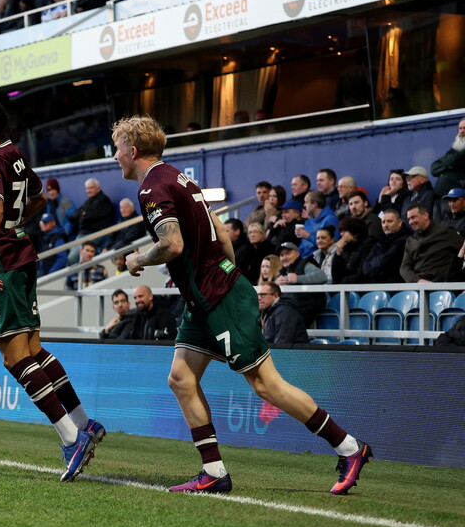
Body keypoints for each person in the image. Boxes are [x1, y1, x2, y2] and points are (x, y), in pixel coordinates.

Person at [112, 115, 370, 495]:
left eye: (117, 148)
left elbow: (172, 244)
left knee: (267, 385)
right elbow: (218, 227)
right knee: (181, 380)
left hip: (220, 298)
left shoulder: (153, 188)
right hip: (206, 298)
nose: (115, 156)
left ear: (133, 151)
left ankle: (351, 449)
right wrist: (226, 269)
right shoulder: (177, 176)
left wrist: (136, 260)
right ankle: (214, 473)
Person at [0, 96, 102, 483]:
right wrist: (15, 226)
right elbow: (36, 196)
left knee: (14, 357)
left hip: (2, 263)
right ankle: (84, 423)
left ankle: (72, 439)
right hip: (21, 255)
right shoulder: (14, 155)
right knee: (34, 349)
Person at [400, 204, 463, 282]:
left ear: (426, 215)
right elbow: (404, 268)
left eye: (413, 217)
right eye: (408, 219)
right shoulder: (410, 241)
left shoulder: (445, 232)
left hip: (442, 285)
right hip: (418, 285)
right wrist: (417, 281)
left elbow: (463, 249)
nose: (410, 222)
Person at [276, 241, 327, 323]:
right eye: (282, 255)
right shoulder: (282, 272)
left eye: (288, 253)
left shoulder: (305, 264)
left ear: (297, 254)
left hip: (308, 306)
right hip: (292, 307)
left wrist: (298, 279)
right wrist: (276, 284)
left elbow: (322, 276)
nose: (284, 257)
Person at [67, 177, 116, 262]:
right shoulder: (88, 201)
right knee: (70, 257)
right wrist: (83, 215)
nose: (89, 190)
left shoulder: (103, 200)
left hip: (95, 234)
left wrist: (83, 216)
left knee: (73, 258)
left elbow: (88, 217)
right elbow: (72, 217)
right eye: (87, 188)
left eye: (91, 188)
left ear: (98, 188)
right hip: (83, 234)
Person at [361, 208, 412, 283]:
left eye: (389, 221)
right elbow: (365, 267)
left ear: (399, 222)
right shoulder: (380, 241)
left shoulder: (405, 240)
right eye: (383, 222)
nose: (386, 225)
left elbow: (387, 261)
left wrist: (374, 263)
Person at [331, 217, 375, 284]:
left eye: (344, 231)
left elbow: (362, 275)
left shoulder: (368, 247)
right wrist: (338, 254)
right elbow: (336, 277)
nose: (341, 234)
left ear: (356, 233)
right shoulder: (345, 249)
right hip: (344, 288)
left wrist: (342, 282)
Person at [430, 117, 465, 200]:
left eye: (464, 128)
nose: (462, 131)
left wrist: (445, 164)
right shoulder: (455, 148)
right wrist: (447, 166)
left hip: (455, 197)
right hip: (440, 195)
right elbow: (434, 168)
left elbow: (454, 160)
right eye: (460, 128)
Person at [298, 191, 338, 258]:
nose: (304, 205)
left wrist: (308, 236)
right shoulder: (308, 222)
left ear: (315, 204)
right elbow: (303, 245)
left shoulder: (330, 220)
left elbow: (333, 243)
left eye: (306, 202)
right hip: (304, 259)